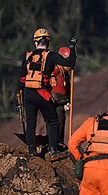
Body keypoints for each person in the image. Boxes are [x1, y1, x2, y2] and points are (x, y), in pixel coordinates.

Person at [17, 28, 77, 156]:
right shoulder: (51, 55)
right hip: (42, 93)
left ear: (35, 42)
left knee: (31, 123)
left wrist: (20, 96)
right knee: (53, 122)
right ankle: (53, 149)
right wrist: (72, 47)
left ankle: (31, 150)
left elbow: (21, 79)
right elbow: (70, 63)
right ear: (47, 42)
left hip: (28, 93)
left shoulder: (28, 56)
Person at [50, 46, 72, 150]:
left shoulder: (66, 74)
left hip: (62, 102)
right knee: (58, 122)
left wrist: (68, 101)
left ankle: (60, 142)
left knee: (62, 121)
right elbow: (54, 91)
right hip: (56, 102)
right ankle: (55, 144)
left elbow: (67, 90)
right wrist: (63, 101)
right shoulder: (55, 71)